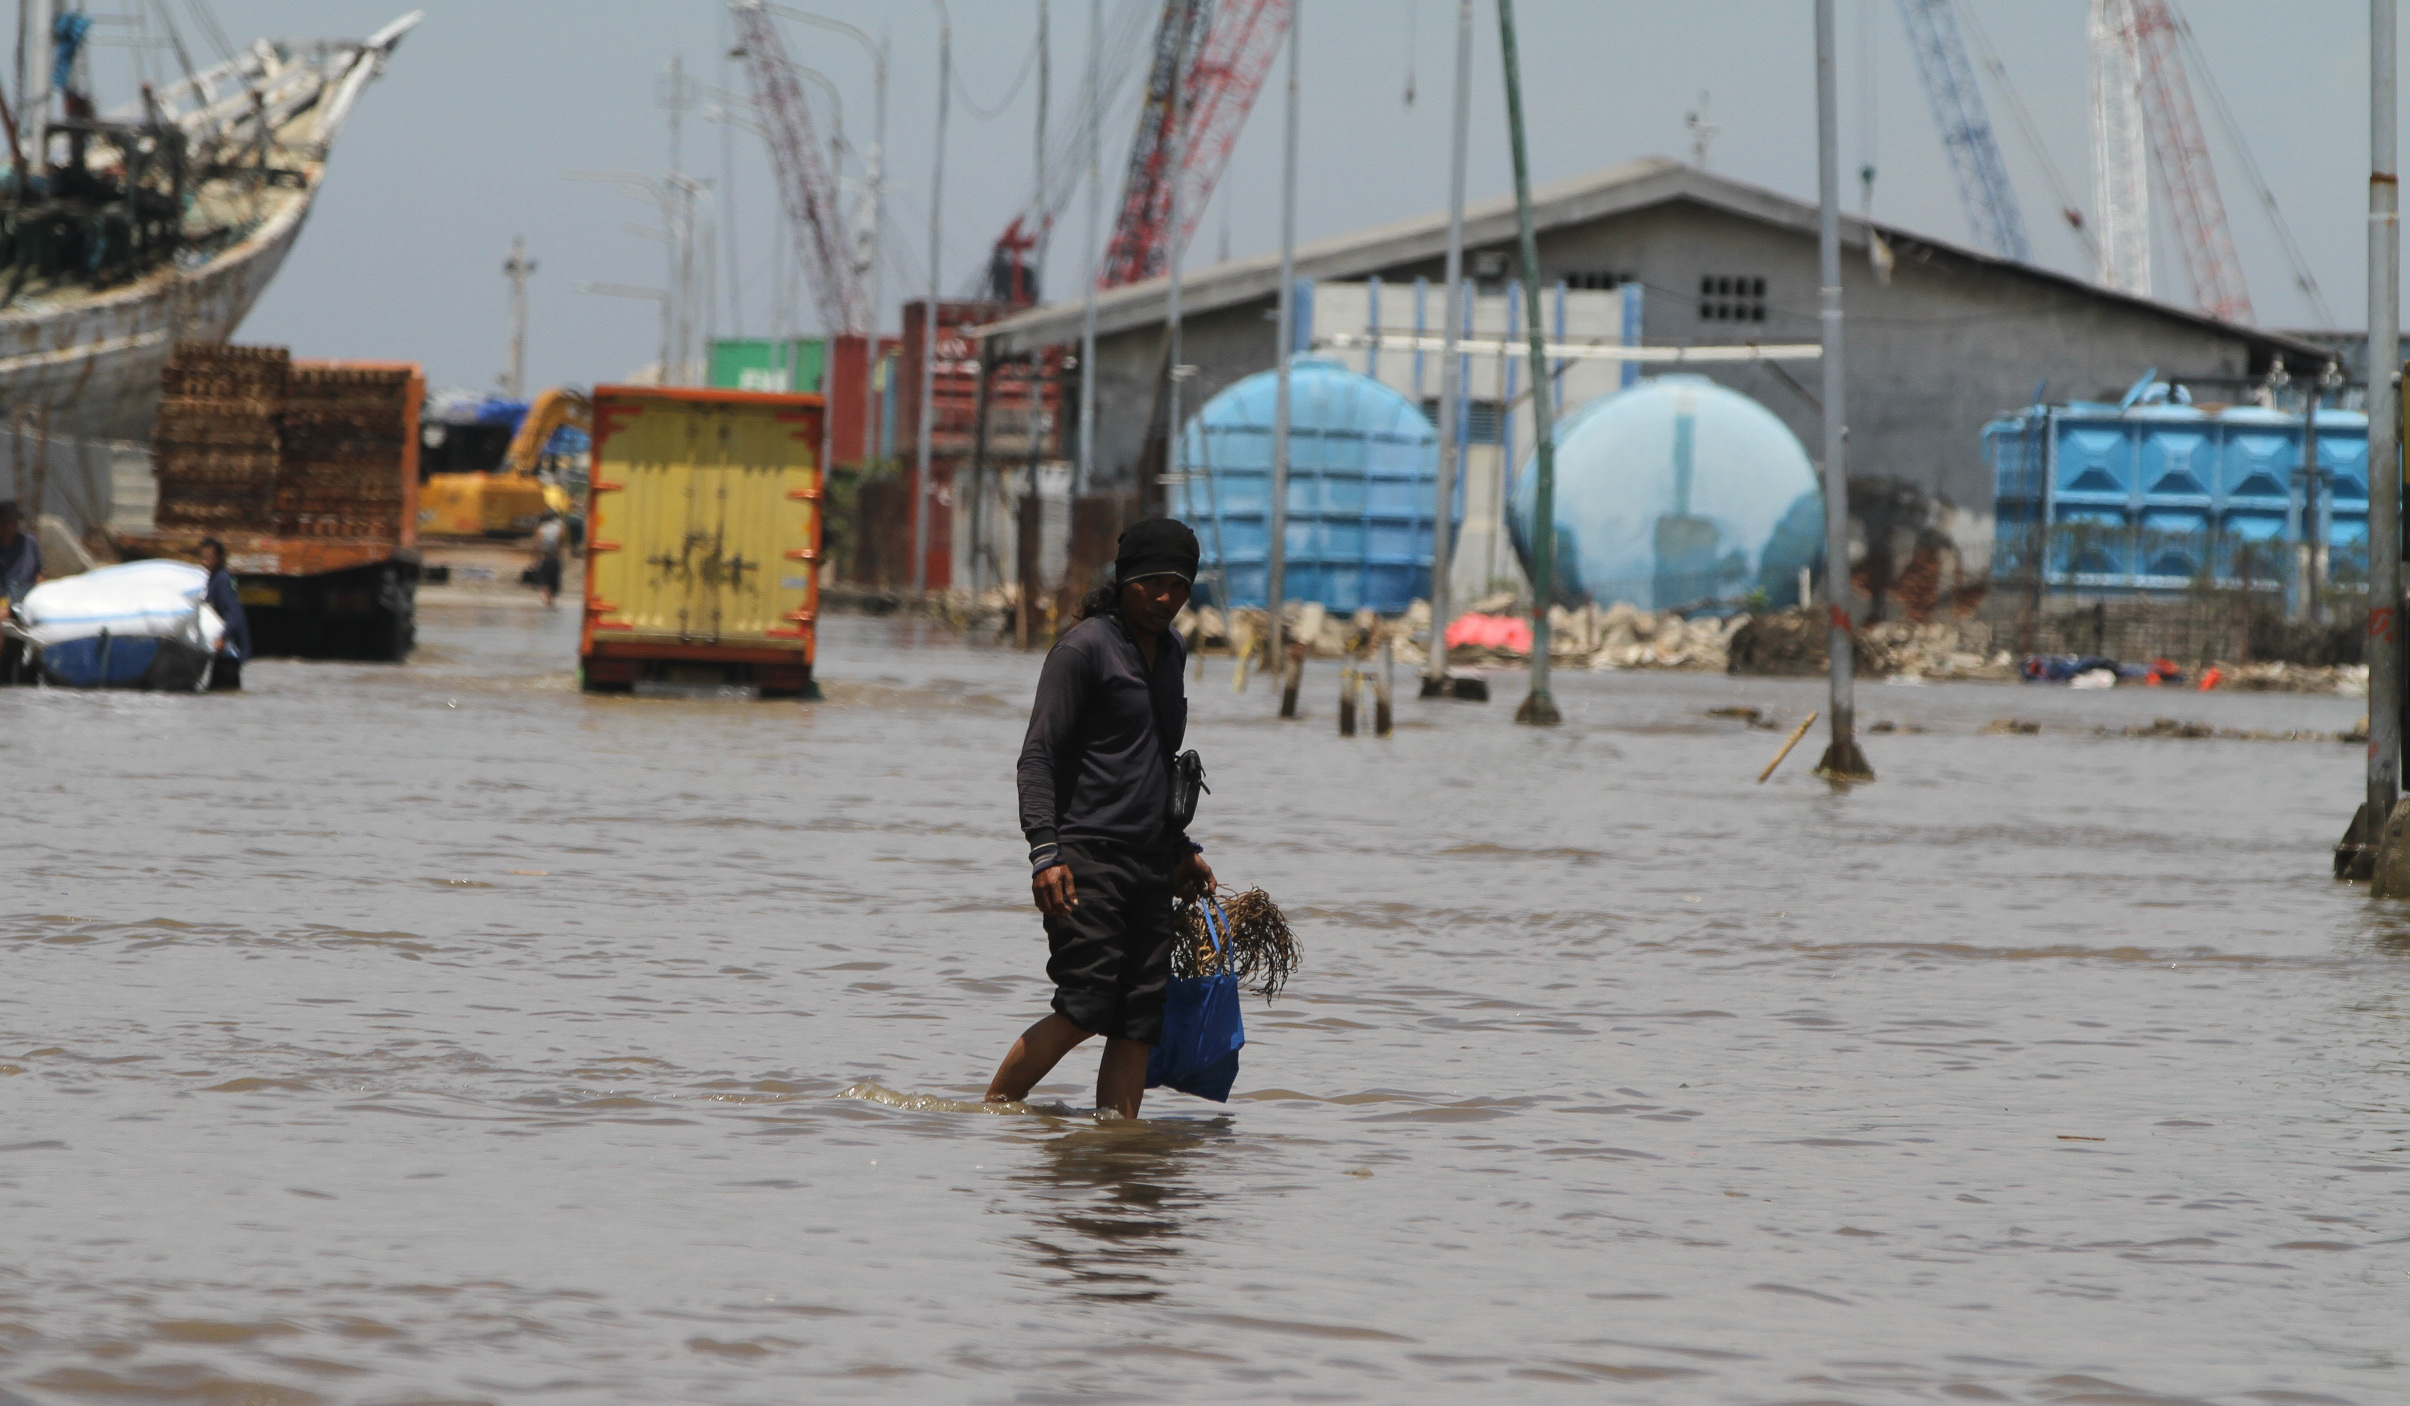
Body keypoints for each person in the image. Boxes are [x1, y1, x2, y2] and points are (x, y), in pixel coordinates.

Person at [988, 518, 1215, 1120]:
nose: (1165, 598)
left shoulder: (1172, 652)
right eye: (1151, 584)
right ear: (1124, 581)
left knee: (1140, 1016)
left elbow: (1154, 761)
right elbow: (1037, 754)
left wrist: (1180, 849)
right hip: (1084, 857)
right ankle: (993, 1112)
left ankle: (1116, 1148)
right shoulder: (1083, 648)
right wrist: (1045, 852)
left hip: (1147, 861)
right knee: (1087, 1002)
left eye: (1179, 586)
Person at [196, 537, 249, 691]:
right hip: (219, 652)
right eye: (203, 557)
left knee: (225, 690)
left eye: (210, 557)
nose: (205, 562)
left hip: (227, 650)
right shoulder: (211, 578)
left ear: (219, 558)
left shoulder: (223, 580)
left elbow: (234, 614)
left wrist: (222, 637)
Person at [0, 501, 40, 683]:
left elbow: (39, 574)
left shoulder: (29, 543)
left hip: (25, 595)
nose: (11, 526)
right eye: (7, 522)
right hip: (4, 598)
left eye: (13, 521)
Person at [531, 509, 566, 608]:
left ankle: (547, 601)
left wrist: (535, 560)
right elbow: (560, 543)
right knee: (553, 582)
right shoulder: (560, 528)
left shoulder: (541, 529)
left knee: (544, 582)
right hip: (555, 559)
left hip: (545, 558)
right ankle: (550, 602)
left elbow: (536, 546)